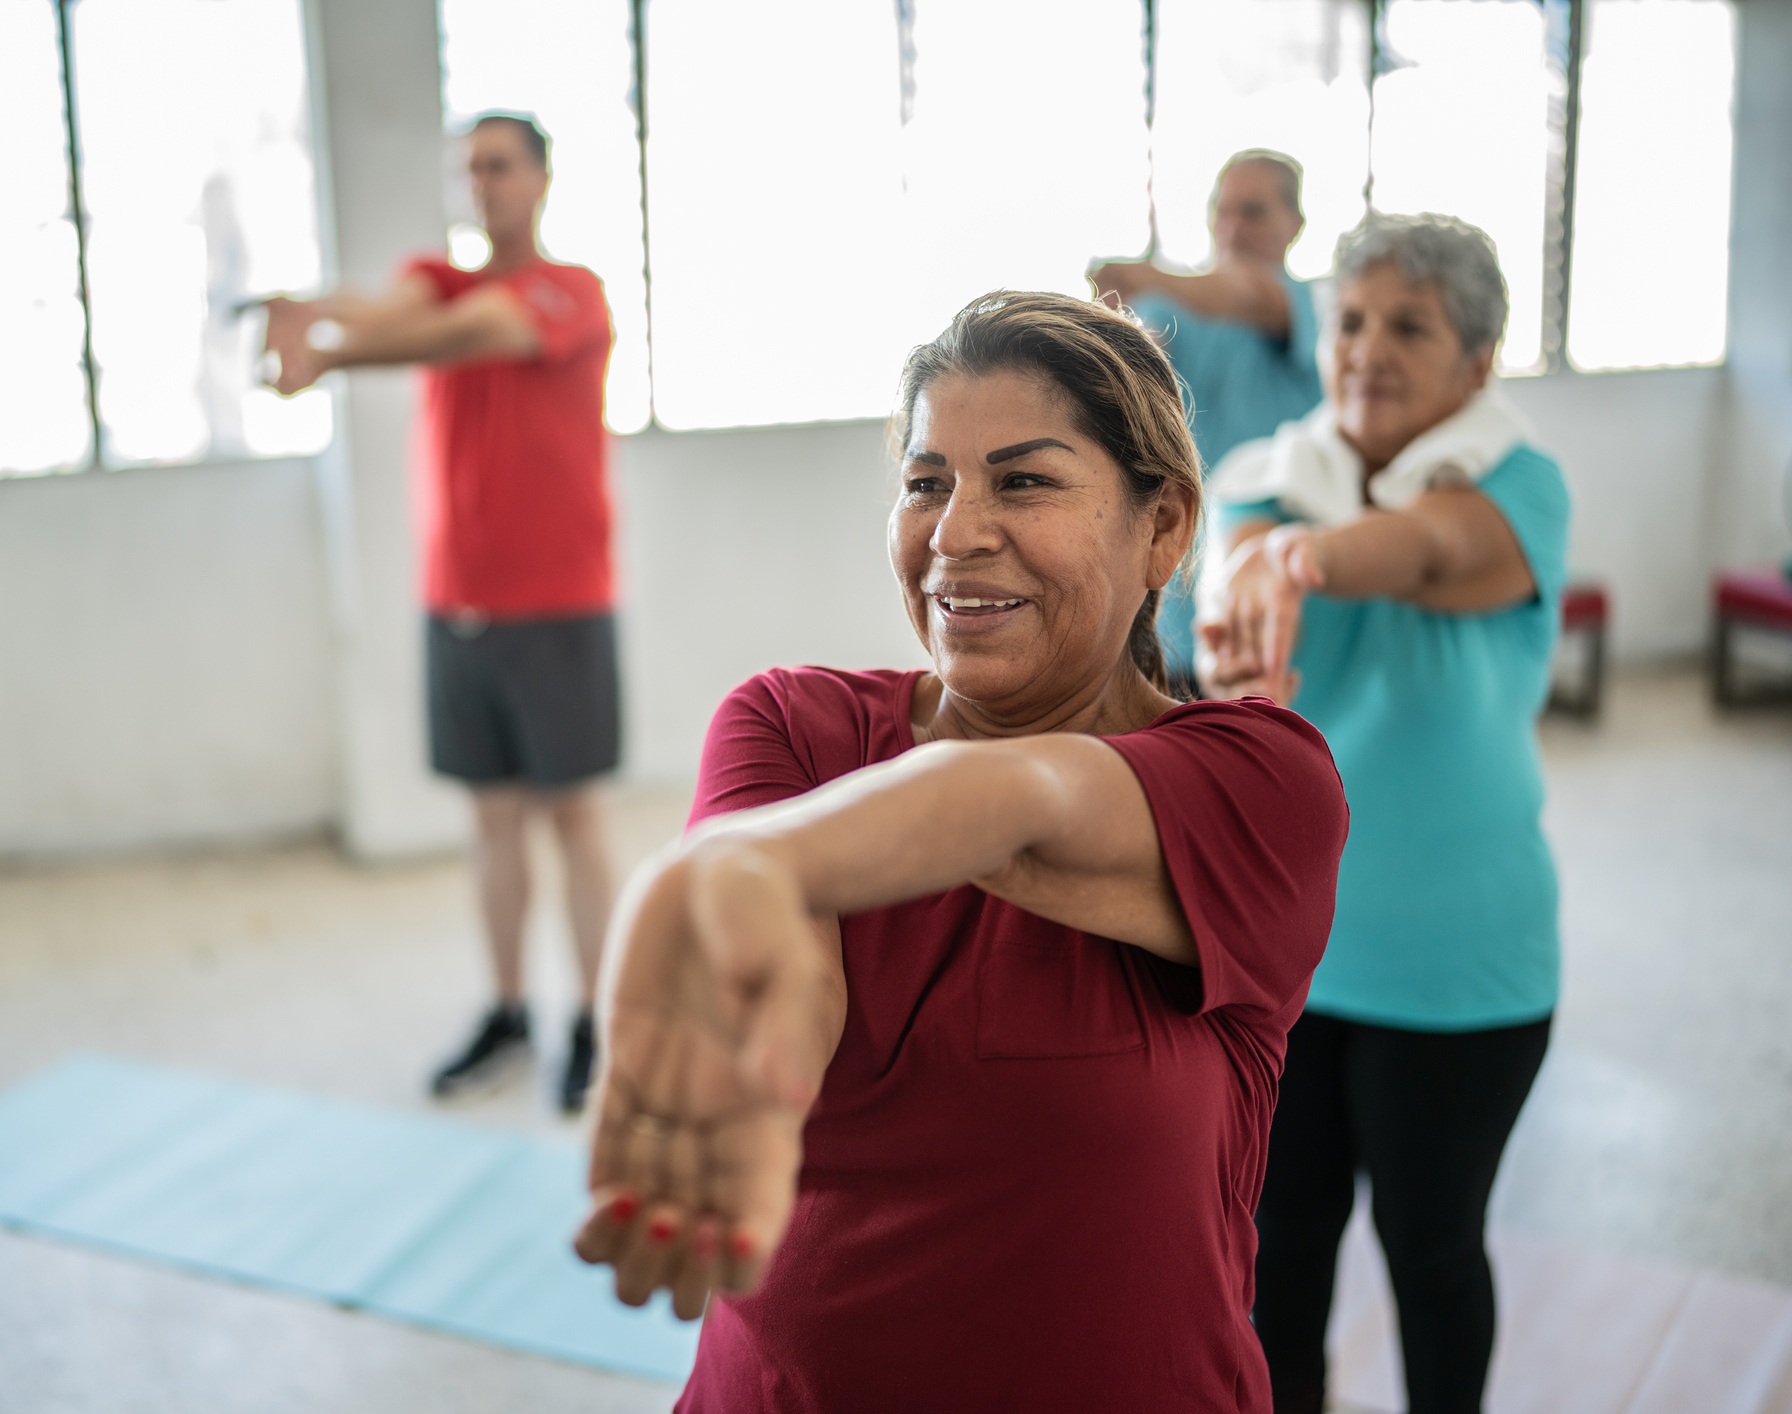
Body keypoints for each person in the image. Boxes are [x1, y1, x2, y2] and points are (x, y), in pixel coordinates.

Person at [570, 290, 1352, 1411]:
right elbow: (791, 995)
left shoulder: (1259, 780)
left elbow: (1030, 792)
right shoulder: (791, 726)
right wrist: (747, 1061)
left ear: (1164, 528)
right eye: (925, 481)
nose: (954, 531)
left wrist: (751, 861)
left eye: (1023, 481)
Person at [1195, 213, 1569, 1414]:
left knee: (1432, 1254)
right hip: (1287, 966)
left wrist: (1290, 565)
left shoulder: (1516, 486)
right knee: (1276, 1255)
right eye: (1348, 319)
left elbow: (1423, 547)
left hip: (1462, 972)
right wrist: (1237, 585)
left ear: (1476, 362)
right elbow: (1211, 649)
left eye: (1408, 325)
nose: (1364, 347)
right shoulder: (1257, 480)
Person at [264, 112, 617, 1113]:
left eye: (501, 165)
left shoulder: (566, 292)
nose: (485, 183)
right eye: (469, 169)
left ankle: (594, 1019)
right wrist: (307, 313)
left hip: (558, 602)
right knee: (491, 817)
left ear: (540, 178)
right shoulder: (438, 276)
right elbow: (393, 302)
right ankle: (508, 1012)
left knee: (573, 818)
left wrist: (324, 350)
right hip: (457, 605)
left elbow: (466, 334)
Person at [1092, 150, 1326, 688]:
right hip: (1179, 593)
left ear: (1296, 225)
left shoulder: (1308, 303)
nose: (1232, 228)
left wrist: (1142, 275)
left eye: (1252, 212)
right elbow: (1133, 360)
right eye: (1222, 211)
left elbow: (1242, 292)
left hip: (1280, 578)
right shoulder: (1174, 310)